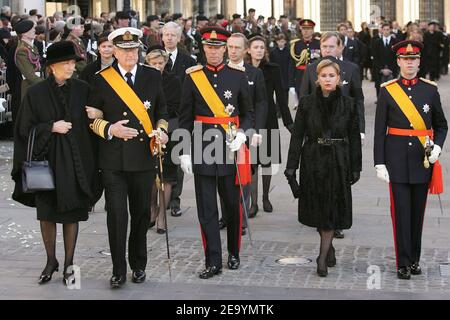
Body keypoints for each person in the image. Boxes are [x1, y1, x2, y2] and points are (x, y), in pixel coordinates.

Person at [11, 41, 101, 286]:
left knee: (71, 215)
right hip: (45, 164)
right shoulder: (36, 93)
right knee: (47, 215)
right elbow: (23, 128)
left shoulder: (82, 89)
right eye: (66, 64)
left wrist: (99, 115)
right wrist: (50, 127)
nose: (72, 67)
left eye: (73, 62)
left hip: (74, 162)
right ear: (52, 67)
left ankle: (70, 263)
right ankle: (51, 261)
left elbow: (94, 120)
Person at [87, 27, 169, 288]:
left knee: (142, 214)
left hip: (143, 159)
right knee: (117, 216)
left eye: (133, 49)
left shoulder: (152, 76)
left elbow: (163, 112)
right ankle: (118, 270)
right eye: (124, 50)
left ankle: (139, 265)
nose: (130, 54)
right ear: (115, 51)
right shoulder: (102, 79)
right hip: (113, 160)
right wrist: (111, 129)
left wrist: (163, 132)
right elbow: (92, 120)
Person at [179, 26, 252, 279]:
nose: (213, 51)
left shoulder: (238, 75)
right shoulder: (193, 76)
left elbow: (249, 113)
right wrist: (184, 151)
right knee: (206, 209)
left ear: (225, 49)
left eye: (218, 47)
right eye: (209, 47)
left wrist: (243, 133)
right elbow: (185, 118)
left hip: (230, 148)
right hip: (202, 147)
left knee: (231, 206)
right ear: (203, 48)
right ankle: (213, 260)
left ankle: (234, 252)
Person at [374, 40, 448, 280]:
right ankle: (402, 262)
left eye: (413, 59)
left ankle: (414, 259)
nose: (410, 63)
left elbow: (441, 125)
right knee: (401, 213)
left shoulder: (430, 89)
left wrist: (437, 146)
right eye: (405, 59)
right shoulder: (387, 90)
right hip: (395, 161)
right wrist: (379, 162)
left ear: (419, 61)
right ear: (398, 61)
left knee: (417, 214)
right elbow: (379, 130)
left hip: (421, 160)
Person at [285, 59, 362, 277]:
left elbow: (354, 137)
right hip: (313, 160)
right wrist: (291, 166)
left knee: (330, 209)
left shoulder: (348, 104)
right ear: (317, 79)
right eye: (324, 76)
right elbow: (297, 136)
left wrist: (356, 166)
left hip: (338, 161)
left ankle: (321, 257)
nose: (328, 79)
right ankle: (329, 248)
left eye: (332, 76)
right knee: (318, 209)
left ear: (339, 79)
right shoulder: (307, 103)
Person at [300, 32, 365, 239]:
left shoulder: (351, 70)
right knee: (318, 182)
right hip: (317, 135)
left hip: (341, 137)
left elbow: (358, 100)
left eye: (331, 46)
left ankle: (335, 222)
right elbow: (304, 100)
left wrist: (360, 129)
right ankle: (322, 221)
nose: (327, 50)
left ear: (340, 48)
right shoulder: (311, 70)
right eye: (324, 46)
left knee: (338, 183)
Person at [219, 32, 268, 233]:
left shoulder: (254, 74)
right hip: (221, 131)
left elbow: (261, 103)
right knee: (222, 174)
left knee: (243, 175)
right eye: (230, 47)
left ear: (245, 49)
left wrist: (256, 130)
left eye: (237, 47)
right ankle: (225, 215)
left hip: (245, 130)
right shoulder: (218, 71)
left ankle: (241, 217)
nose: (233, 51)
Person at [247, 35, 293, 216]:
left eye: (262, 47)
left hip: (269, 119)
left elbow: (281, 98)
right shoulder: (243, 69)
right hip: (249, 120)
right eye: (255, 47)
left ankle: (266, 197)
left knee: (266, 162)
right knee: (251, 163)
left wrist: (289, 123)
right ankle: (253, 202)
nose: (259, 50)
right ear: (248, 50)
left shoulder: (273, 69)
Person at [145, 45, 181, 234]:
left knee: (167, 176)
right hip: (148, 132)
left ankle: (162, 217)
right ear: (147, 63)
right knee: (152, 175)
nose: (158, 66)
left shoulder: (173, 80)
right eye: (154, 63)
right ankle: (152, 210)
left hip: (170, 132)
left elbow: (175, 105)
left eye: (161, 63)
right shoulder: (143, 80)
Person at [288, 19, 320, 98]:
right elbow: (292, 65)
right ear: (301, 30)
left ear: (312, 30)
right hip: (300, 77)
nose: (306, 31)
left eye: (308, 29)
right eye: (304, 29)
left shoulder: (319, 43)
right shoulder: (295, 45)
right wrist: (291, 84)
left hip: (315, 76)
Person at [14, 19, 43, 101]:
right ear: (25, 33)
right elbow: (29, 75)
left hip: (37, 85)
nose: (35, 30)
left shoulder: (32, 47)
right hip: (30, 87)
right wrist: (46, 84)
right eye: (32, 28)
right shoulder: (22, 50)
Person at [372, 22, 399, 97]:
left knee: (392, 89)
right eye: (384, 29)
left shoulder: (395, 41)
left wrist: (390, 69)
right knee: (380, 88)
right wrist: (382, 69)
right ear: (382, 30)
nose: (386, 31)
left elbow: (396, 57)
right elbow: (375, 57)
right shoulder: (377, 42)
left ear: (390, 30)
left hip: (392, 69)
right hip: (380, 70)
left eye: (387, 29)